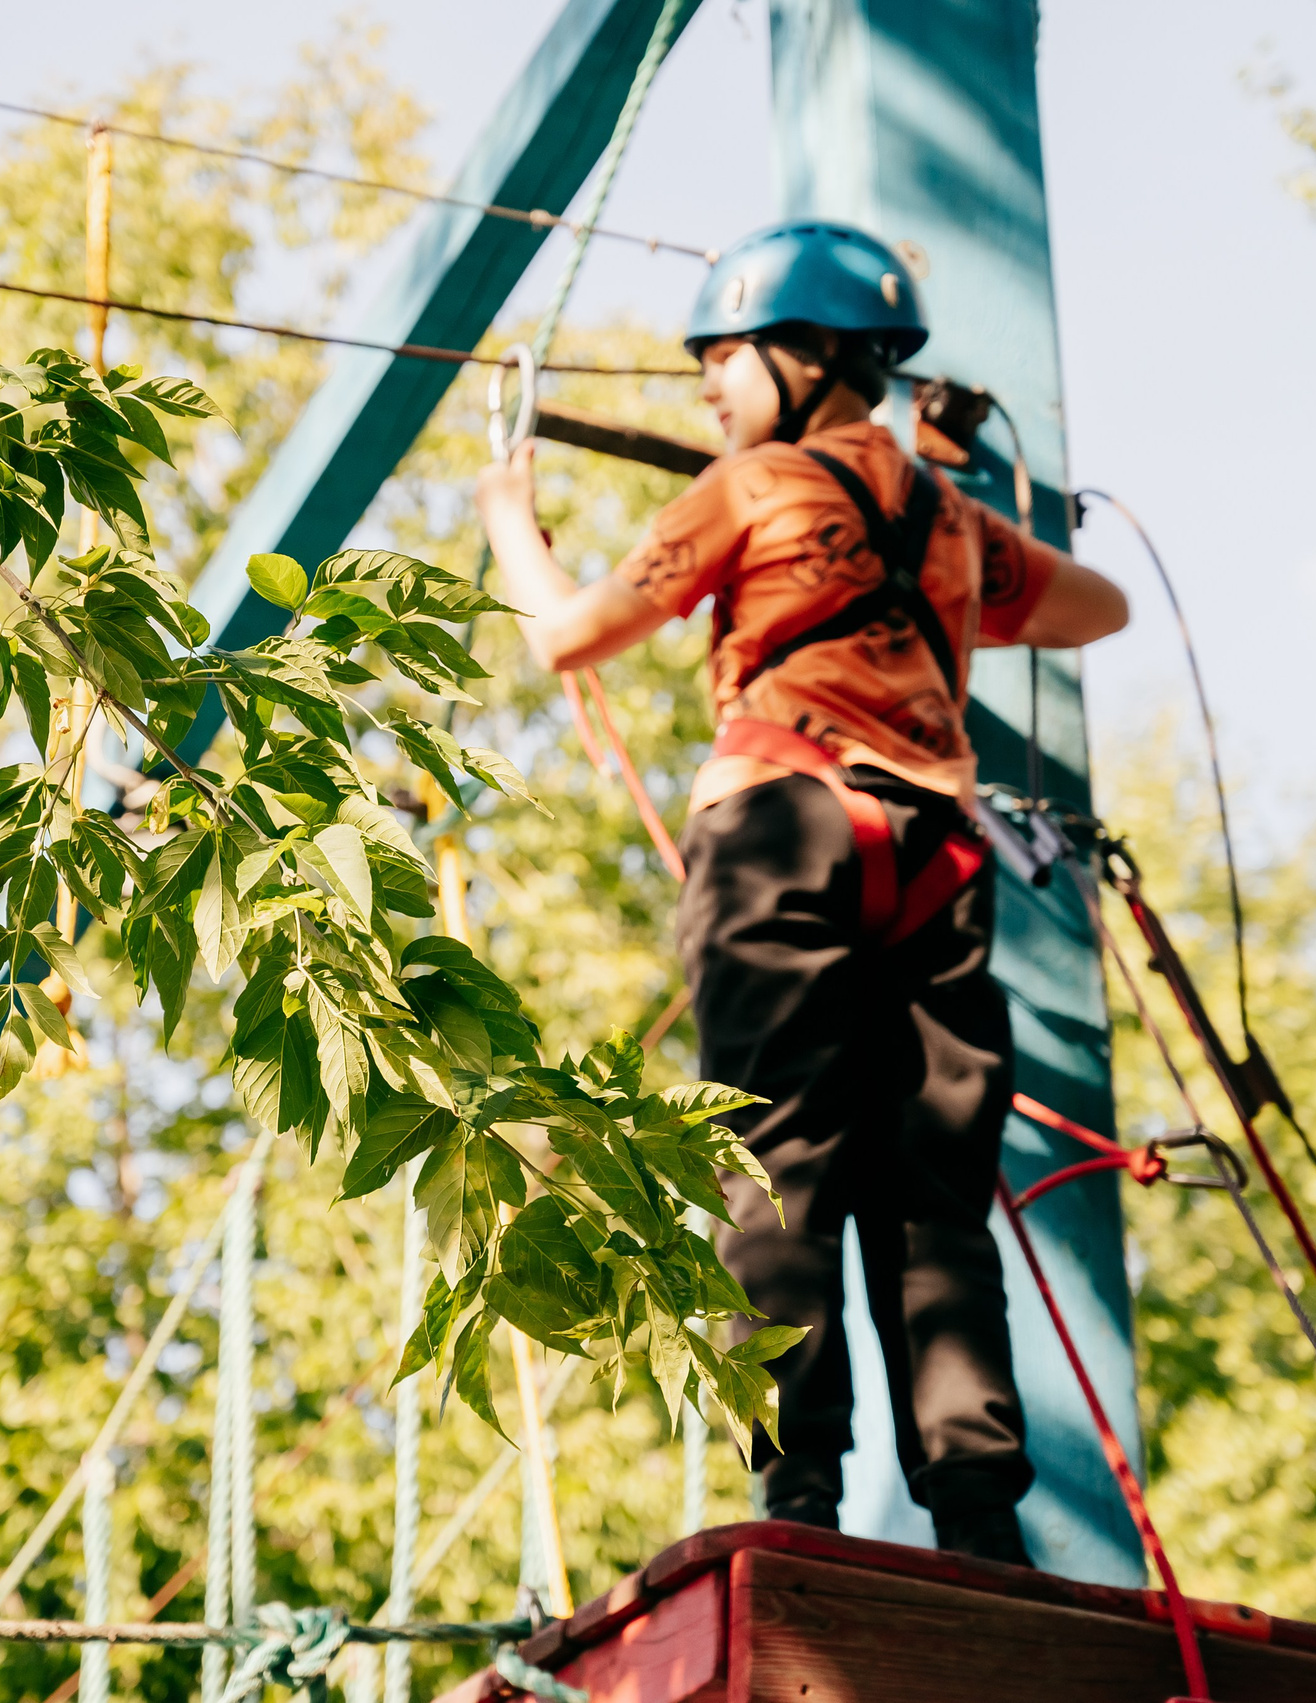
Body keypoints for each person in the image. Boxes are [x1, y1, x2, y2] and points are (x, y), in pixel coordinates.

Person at [474, 219, 1131, 1566]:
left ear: (813, 358)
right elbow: (1097, 609)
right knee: (935, 1198)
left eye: (727, 358)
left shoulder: (754, 487)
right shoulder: (949, 525)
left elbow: (563, 638)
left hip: (783, 828)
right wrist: (951, 534)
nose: (710, 386)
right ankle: (977, 1516)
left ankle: (797, 1499)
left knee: (776, 1164)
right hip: (934, 855)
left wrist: (510, 530)